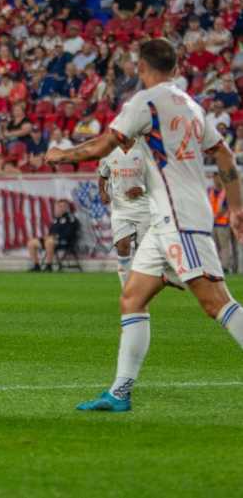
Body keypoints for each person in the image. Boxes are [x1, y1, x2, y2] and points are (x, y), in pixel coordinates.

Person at [47, 39, 243, 412]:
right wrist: (235, 207)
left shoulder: (145, 102)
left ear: (140, 67)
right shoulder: (191, 105)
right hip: (167, 218)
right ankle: (120, 392)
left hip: (178, 218)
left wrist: (61, 155)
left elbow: (103, 145)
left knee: (216, 302)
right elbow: (224, 154)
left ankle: (121, 391)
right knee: (132, 297)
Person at [98, 140, 151, 289]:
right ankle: (127, 288)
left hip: (143, 207)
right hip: (120, 208)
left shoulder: (144, 150)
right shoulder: (110, 152)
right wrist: (102, 192)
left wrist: (142, 188)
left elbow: (157, 178)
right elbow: (103, 176)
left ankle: (144, 285)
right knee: (122, 246)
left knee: (143, 250)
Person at [26, 199, 78, 272]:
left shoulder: (71, 219)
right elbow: (51, 232)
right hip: (52, 240)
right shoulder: (56, 219)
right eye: (59, 206)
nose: (61, 208)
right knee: (31, 243)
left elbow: (69, 233)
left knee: (49, 242)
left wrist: (55, 237)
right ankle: (36, 265)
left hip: (64, 241)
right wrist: (47, 236)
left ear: (67, 208)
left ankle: (49, 265)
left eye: (63, 206)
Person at [209, 173, 236, 273]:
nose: (216, 180)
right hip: (212, 224)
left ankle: (225, 267)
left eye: (218, 178)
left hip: (223, 223)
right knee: (214, 246)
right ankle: (216, 266)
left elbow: (225, 207)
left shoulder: (225, 192)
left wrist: (215, 217)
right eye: (215, 178)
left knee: (225, 247)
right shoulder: (210, 191)